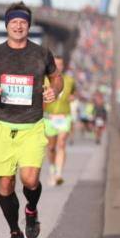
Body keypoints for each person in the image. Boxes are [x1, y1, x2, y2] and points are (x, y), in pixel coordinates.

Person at [0, 2, 62, 238]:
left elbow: (57, 77)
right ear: (7, 25)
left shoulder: (42, 53)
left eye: (23, 22)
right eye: (14, 22)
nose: (18, 26)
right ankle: (15, 231)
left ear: (28, 26)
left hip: (31, 125)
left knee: (30, 180)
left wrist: (55, 90)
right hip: (1, 126)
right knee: (6, 185)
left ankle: (31, 210)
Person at [43, 55, 76, 186]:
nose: (58, 67)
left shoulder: (70, 81)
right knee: (51, 147)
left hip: (64, 117)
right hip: (49, 117)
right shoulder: (45, 81)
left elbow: (73, 93)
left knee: (61, 143)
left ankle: (59, 173)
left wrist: (71, 98)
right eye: (55, 64)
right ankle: (52, 169)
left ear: (63, 66)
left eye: (60, 64)